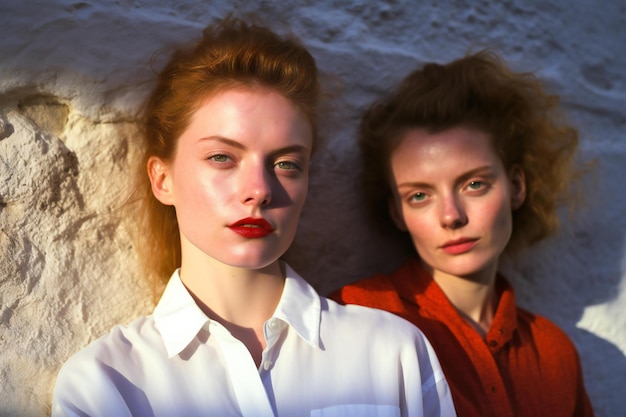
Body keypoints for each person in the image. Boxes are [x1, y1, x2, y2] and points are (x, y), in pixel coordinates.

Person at [51, 17, 456, 417]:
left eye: (286, 163)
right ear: (163, 179)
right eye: (222, 157)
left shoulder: (392, 355)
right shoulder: (106, 386)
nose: (260, 189)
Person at [330, 50, 595, 417]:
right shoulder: (356, 318)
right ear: (397, 212)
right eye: (419, 195)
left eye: (473, 184)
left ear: (517, 185)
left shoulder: (554, 352)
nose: (451, 216)